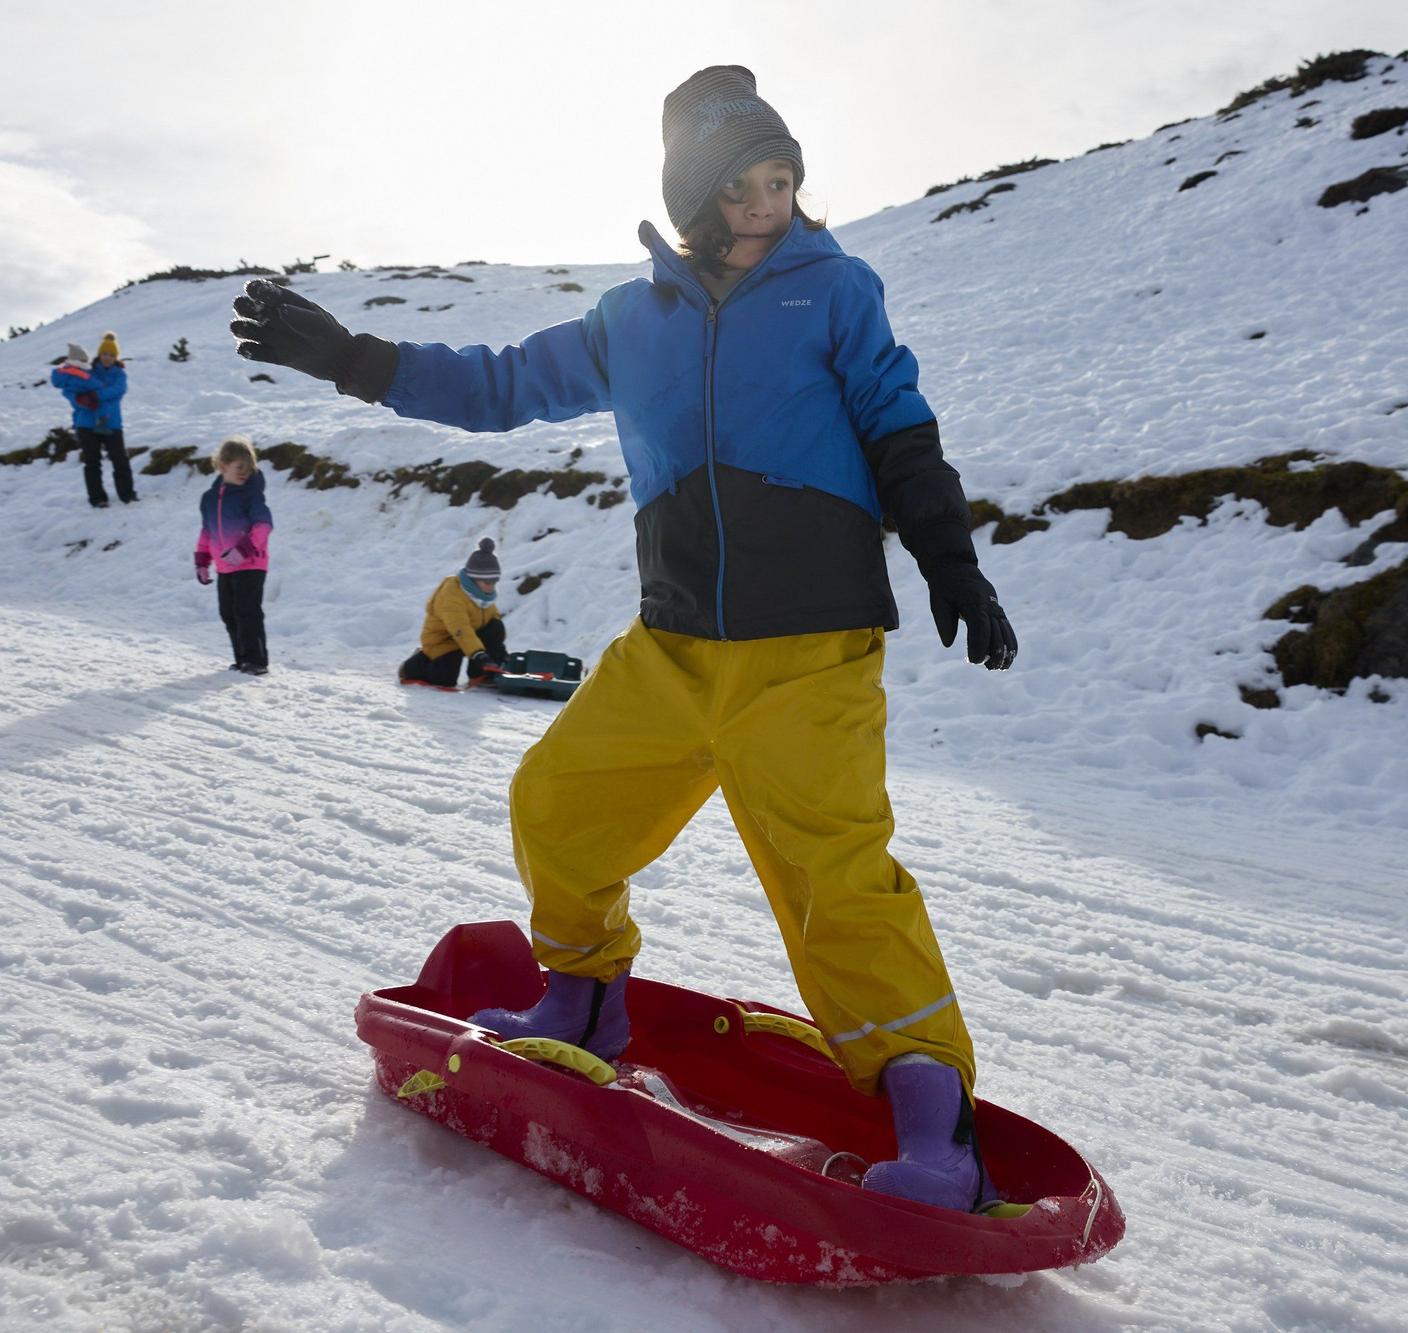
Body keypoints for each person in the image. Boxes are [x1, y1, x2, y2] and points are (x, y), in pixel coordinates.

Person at [230, 66, 1016, 1212]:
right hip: (672, 643)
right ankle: (583, 994)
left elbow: (897, 422)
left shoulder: (834, 290)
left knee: (833, 877)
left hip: (807, 650)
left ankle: (930, 1120)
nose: (768, 202)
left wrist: (949, 556)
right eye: (743, 183)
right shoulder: (627, 320)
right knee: (558, 803)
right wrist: (347, 354)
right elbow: (497, 385)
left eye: (783, 178)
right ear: (695, 197)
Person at [194, 436, 273, 675]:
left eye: (248, 470)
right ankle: (241, 658)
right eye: (240, 468)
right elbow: (207, 531)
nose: (244, 474)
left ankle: (256, 661)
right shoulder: (209, 499)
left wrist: (243, 550)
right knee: (228, 613)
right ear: (223, 465)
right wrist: (202, 561)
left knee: (247, 611)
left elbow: (263, 526)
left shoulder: (252, 496)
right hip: (224, 567)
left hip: (250, 564)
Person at [398, 538, 511, 688]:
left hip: (469, 637)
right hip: (445, 639)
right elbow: (460, 628)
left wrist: (499, 652)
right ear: (473, 579)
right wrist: (478, 654)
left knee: (496, 626)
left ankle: (481, 675)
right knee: (445, 679)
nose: (491, 587)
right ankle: (411, 666)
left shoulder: (483, 596)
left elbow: (493, 620)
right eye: (487, 583)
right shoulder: (452, 594)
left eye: (494, 583)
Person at [53, 331, 136, 508]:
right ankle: (98, 498)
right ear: (100, 354)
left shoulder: (120, 375)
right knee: (92, 462)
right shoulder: (86, 371)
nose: (108, 358)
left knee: (120, 460)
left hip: (112, 423)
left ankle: (127, 495)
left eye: (112, 355)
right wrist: (81, 400)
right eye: (105, 354)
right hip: (86, 423)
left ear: (116, 357)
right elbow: (69, 390)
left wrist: (93, 396)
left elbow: (117, 392)